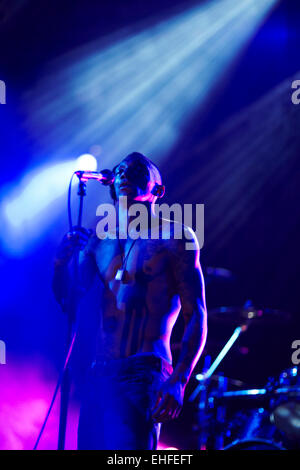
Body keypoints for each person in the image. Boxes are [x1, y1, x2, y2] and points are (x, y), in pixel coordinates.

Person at [52, 152, 207, 450]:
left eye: (137, 171)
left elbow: (197, 315)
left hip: (143, 371)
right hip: (99, 372)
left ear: (157, 191)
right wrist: (59, 265)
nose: (125, 173)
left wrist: (179, 379)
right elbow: (68, 301)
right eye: (121, 170)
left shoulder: (176, 236)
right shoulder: (99, 240)